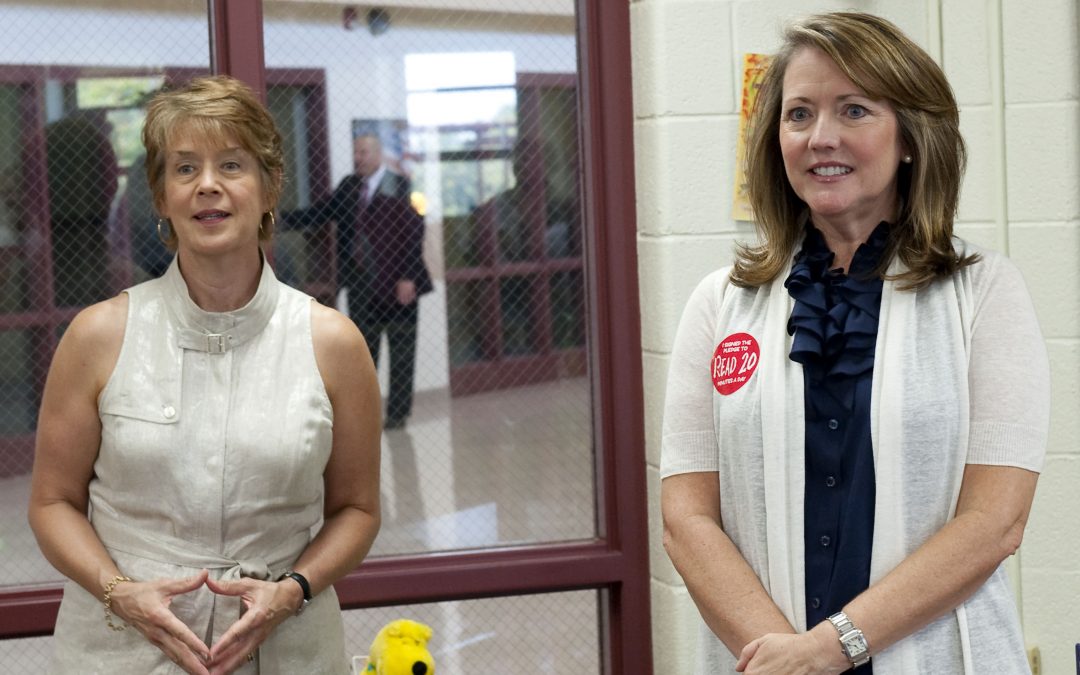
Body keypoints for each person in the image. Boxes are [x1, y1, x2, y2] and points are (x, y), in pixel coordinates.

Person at [660, 13, 1049, 675]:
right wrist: (785, 661)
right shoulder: (719, 303)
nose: (821, 137)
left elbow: (995, 521)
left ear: (908, 138)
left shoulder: (984, 292)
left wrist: (825, 649)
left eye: (855, 109)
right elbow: (686, 518)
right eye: (799, 114)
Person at [28, 75, 382, 674]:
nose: (208, 185)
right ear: (161, 196)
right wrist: (121, 592)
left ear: (269, 187)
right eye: (185, 169)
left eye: (232, 165)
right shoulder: (97, 336)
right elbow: (52, 502)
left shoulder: (332, 343)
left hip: (287, 652)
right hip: (123, 650)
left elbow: (358, 509)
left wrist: (293, 590)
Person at [285, 132, 432, 430]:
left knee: (402, 350)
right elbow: (320, 213)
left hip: (396, 283)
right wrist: (280, 219)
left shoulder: (398, 184)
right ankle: (364, 413)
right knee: (364, 354)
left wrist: (408, 276)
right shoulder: (350, 187)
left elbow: (414, 234)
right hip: (362, 285)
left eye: (363, 152)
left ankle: (398, 415)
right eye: (356, 153)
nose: (358, 158)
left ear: (378, 155)